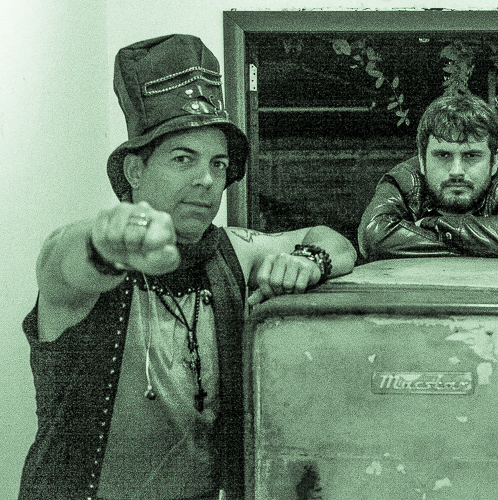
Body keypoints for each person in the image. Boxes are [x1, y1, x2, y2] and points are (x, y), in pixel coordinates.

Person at [18, 34, 356, 500]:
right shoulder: (91, 261)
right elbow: (61, 259)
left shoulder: (231, 251)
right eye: (183, 159)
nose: (207, 180)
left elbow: (333, 240)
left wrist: (308, 261)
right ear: (135, 171)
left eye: (218, 164)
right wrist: (109, 242)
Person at [357, 93, 498, 261]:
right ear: (421, 159)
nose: (456, 171)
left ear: (494, 161)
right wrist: (482, 244)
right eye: (443, 155)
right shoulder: (404, 180)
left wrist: (432, 225)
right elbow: (373, 236)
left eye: (471, 155)